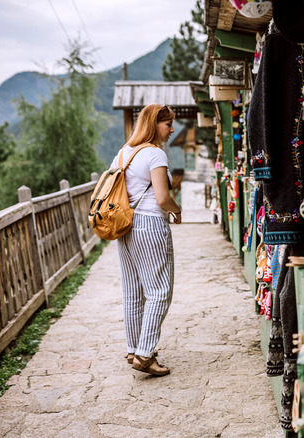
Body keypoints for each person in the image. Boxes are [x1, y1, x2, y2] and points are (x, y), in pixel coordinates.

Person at [113, 103, 181, 376]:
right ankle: (144, 354)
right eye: (168, 124)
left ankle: (133, 348)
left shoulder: (123, 153)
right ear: (154, 125)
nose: (172, 129)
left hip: (125, 225)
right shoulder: (155, 154)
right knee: (159, 291)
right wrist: (178, 210)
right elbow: (163, 198)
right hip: (150, 224)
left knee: (133, 291)